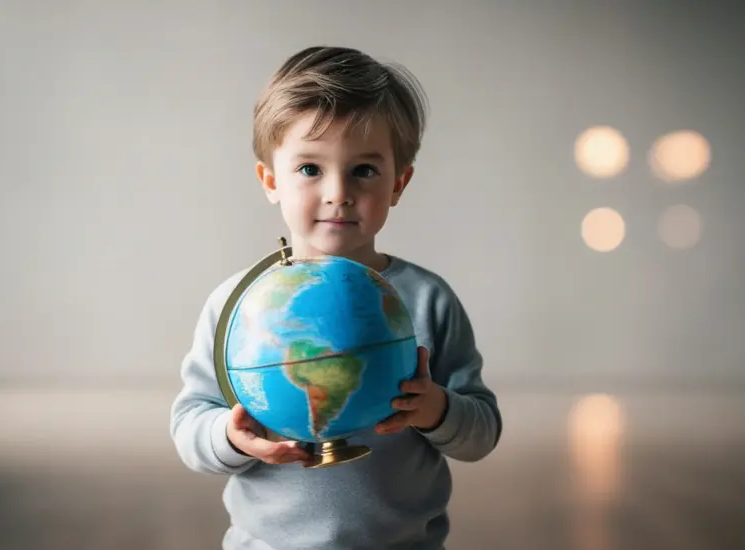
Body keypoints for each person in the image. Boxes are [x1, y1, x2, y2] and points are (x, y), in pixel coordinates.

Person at [170, 45, 502, 550]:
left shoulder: (428, 300)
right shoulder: (239, 306)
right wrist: (230, 438)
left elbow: (482, 431)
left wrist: (437, 409)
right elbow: (191, 423)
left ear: (399, 182)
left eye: (364, 170)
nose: (338, 192)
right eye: (309, 169)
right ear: (270, 180)